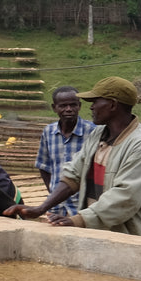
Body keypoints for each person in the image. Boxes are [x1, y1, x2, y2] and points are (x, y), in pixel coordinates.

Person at [4, 77, 141, 236]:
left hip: (129, 235)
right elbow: (74, 174)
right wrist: (41, 208)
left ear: (113, 105)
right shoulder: (98, 134)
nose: (91, 107)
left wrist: (78, 220)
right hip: (97, 232)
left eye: (95, 102)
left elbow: (125, 197)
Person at [34, 86, 97, 219]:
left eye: (73, 105)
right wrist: (54, 195)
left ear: (79, 106)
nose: (68, 109)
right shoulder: (48, 132)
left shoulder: (93, 132)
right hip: (56, 207)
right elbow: (44, 166)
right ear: (54, 108)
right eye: (63, 106)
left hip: (82, 207)